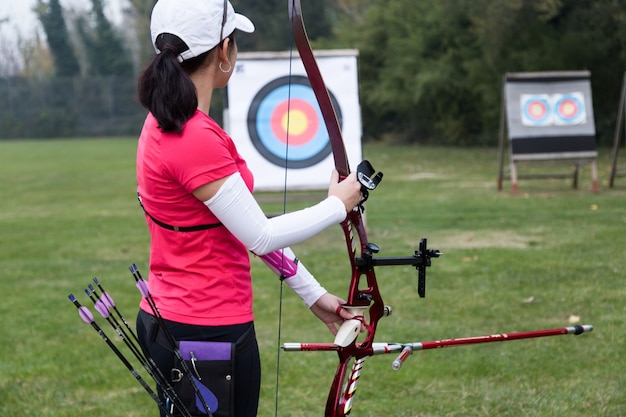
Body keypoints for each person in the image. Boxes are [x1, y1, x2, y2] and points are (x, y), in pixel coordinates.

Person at [134, 0, 363, 416]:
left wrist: (311, 294)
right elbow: (261, 234)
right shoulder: (195, 138)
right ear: (224, 51)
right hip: (207, 335)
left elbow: (244, 228)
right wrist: (338, 206)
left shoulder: (162, 123)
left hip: (170, 322)